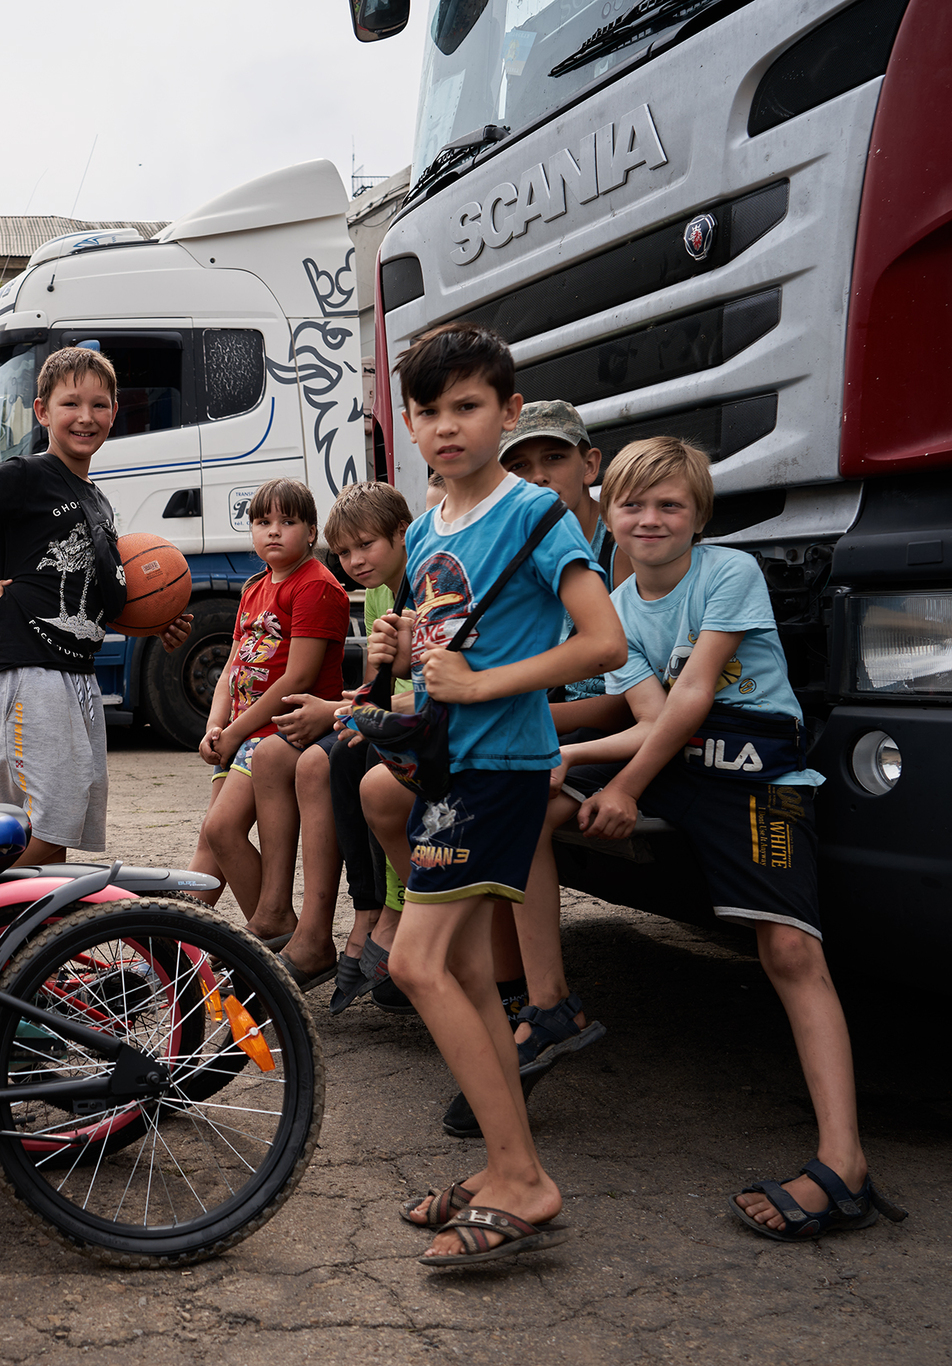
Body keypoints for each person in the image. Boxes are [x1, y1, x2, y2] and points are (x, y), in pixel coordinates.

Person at [557, 436, 902, 1243]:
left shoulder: (729, 573)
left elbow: (696, 698)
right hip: (672, 755)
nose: (650, 519)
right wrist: (563, 756)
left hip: (754, 764)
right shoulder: (616, 609)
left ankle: (843, 1163)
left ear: (698, 517)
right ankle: (539, 1005)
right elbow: (652, 723)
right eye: (633, 505)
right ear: (606, 515)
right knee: (518, 794)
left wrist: (624, 786)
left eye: (670, 505)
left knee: (788, 951)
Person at [370, 320, 625, 1266]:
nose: (447, 427)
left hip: (503, 766)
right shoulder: (431, 521)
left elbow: (605, 644)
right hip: (447, 765)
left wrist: (481, 685)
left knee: (417, 965)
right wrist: (404, 652)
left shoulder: (535, 515)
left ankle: (523, 1178)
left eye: (467, 407)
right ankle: (506, 1161)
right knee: (471, 975)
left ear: (508, 413)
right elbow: (445, 632)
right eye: (429, 411)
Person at [0, 346, 191, 864]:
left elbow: (92, 604)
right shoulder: (27, 474)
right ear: (42, 412)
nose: (86, 417)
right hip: (27, 669)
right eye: (71, 404)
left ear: (115, 411)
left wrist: (150, 627)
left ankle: (34, 942)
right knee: (39, 828)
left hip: (74, 674)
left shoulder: (97, 499)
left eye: (100, 405)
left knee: (58, 832)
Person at [253, 481, 417, 1013]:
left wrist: (340, 711)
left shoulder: (421, 584)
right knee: (322, 757)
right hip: (392, 717)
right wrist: (350, 710)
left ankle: (384, 910)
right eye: (344, 552)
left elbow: (400, 696)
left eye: (364, 546)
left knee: (356, 754)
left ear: (402, 533)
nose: (354, 561)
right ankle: (327, 922)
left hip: (426, 725)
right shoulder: (374, 595)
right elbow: (377, 687)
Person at [192, 477, 346, 977]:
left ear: (311, 531)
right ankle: (268, 934)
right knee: (215, 839)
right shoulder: (256, 587)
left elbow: (299, 676)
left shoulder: (317, 585)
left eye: (287, 522)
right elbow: (233, 668)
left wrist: (237, 733)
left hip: (279, 734)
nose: (273, 532)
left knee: (220, 829)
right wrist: (216, 724)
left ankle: (274, 926)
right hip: (241, 734)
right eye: (263, 522)